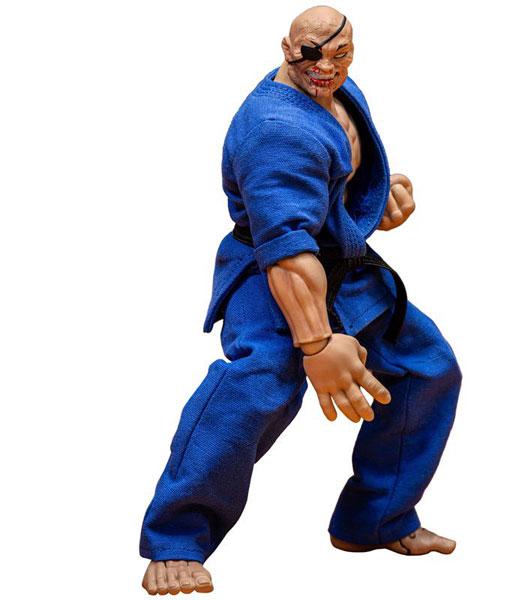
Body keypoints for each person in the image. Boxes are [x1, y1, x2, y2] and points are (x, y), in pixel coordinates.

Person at [140, 6, 462, 595]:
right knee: (259, 383)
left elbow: (332, 178)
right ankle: (176, 539)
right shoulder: (275, 130)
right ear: (287, 47)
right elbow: (288, 251)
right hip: (273, 270)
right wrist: (316, 345)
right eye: (312, 54)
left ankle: (376, 519)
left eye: (341, 55)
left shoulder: (334, 90)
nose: (326, 67)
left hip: (341, 262)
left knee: (426, 366)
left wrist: (375, 199)